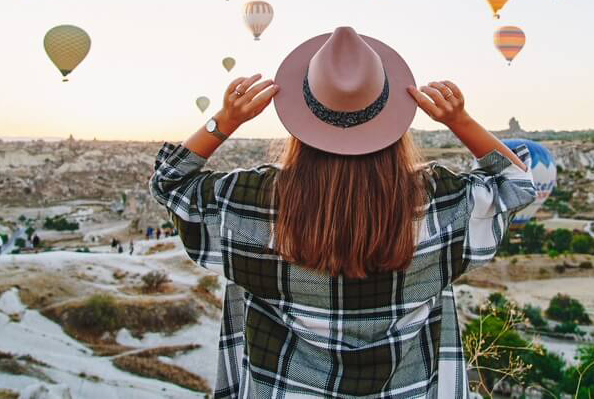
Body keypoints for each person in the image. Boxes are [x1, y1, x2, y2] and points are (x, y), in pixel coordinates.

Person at [149, 27, 535, 398]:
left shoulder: (252, 202)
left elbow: (169, 184)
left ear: (301, 121)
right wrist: (459, 121)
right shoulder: (435, 202)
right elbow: (517, 186)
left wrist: (226, 120)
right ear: (393, 119)